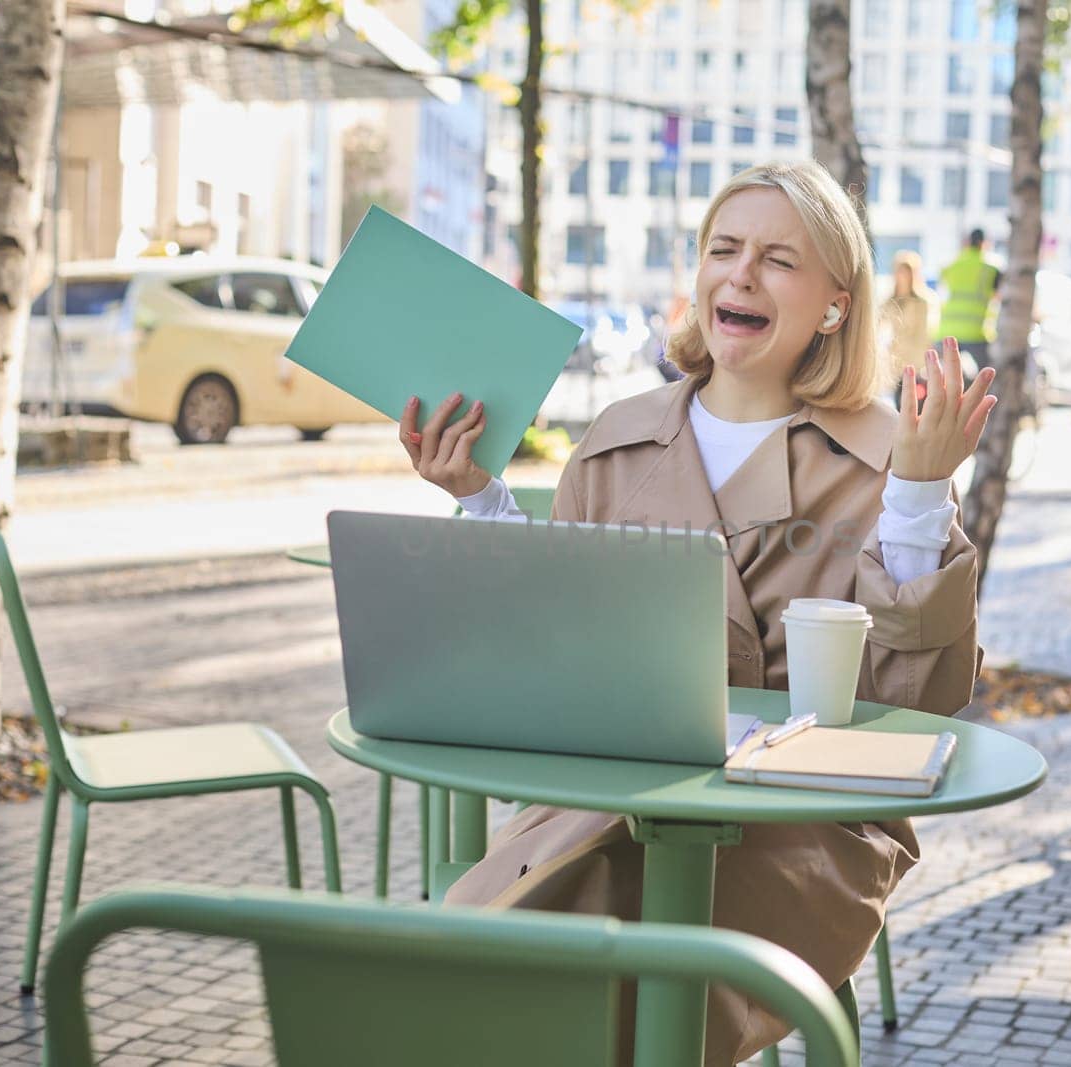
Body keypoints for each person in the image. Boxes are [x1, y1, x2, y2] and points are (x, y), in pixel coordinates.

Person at [397, 160, 996, 1065]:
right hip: (607, 805)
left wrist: (918, 493)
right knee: (514, 952)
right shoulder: (616, 437)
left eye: (778, 260)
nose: (740, 273)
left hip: (798, 827)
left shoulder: (892, 453)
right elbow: (556, 638)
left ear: (836, 304)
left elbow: (916, 699)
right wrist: (479, 497)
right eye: (723, 248)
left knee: (578, 958)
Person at [938, 227, 1001, 373]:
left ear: (967, 243)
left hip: (947, 331)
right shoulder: (991, 269)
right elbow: (998, 297)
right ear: (984, 244)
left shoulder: (951, 266)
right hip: (976, 333)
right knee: (985, 377)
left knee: (946, 377)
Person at [878, 249, 937, 407]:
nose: (902, 276)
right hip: (897, 363)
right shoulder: (891, 301)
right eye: (899, 271)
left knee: (915, 405)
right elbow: (876, 322)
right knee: (899, 405)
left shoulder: (923, 301)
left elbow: (927, 333)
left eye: (906, 271)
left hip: (916, 363)